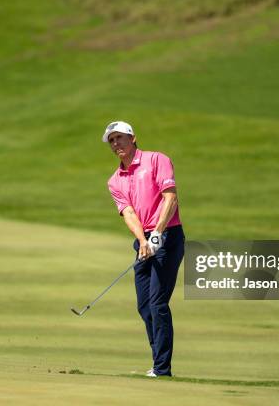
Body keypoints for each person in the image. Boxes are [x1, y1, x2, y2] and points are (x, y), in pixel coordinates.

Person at [103, 121, 185, 378]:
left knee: (158, 302)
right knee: (144, 306)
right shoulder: (115, 180)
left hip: (168, 236)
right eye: (112, 140)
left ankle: (162, 369)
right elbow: (128, 212)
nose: (116, 143)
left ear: (133, 138)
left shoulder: (157, 160)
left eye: (120, 138)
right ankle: (157, 361)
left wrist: (158, 234)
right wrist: (143, 240)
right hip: (145, 241)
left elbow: (170, 197)